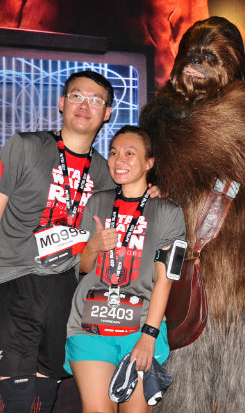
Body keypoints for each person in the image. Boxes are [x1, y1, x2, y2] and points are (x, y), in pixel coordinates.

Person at [0, 70, 117, 412]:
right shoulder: (24, 146)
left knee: (43, 399)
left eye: (95, 100)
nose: (84, 105)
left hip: (65, 290)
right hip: (13, 283)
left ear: (106, 113)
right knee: (17, 399)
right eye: (76, 96)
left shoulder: (106, 174)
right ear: (62, 103)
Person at [64, 126, 186, 413]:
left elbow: (165, 279)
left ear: (149, 162)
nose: (119, 160)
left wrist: (149, 336)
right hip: (89, 324)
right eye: (114, 152)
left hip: (140, 327)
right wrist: (95, 245)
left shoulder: (167, 211)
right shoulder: (97, 202)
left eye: (130, 153)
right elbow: (82, 267)